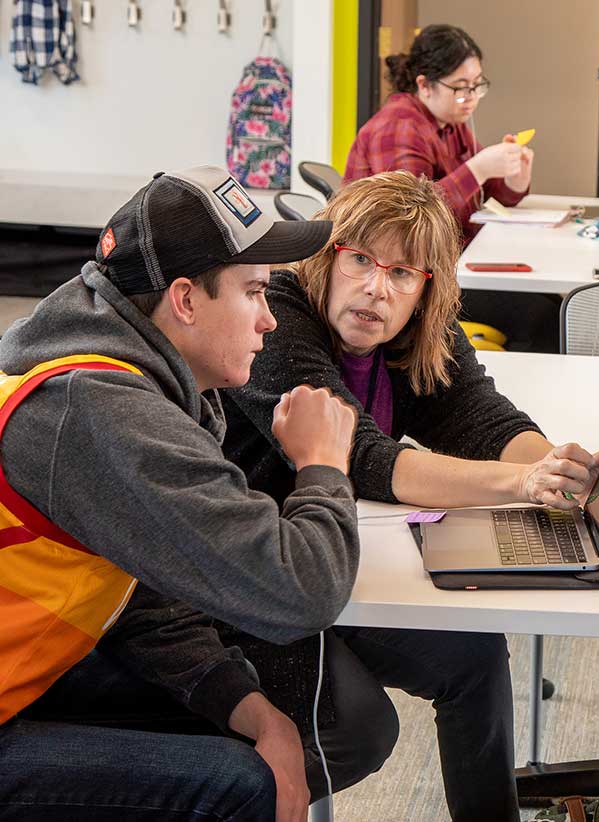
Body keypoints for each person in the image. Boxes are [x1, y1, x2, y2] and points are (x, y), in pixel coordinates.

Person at [215, 170, 599, 822]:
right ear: (326, 256)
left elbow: (486, 420)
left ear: (426, 289)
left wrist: (563, 470)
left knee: (472, 656)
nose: (375, 288)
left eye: (402, 274)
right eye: (360, 260)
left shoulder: (419, 329)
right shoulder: (278, 315)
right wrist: (520, 483)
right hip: (253, 583)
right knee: (364, 722)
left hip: (337, 563)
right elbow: (362, 460)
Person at [0, 165, 362, 821]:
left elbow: (141, 597)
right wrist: (323, 466)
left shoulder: (117, 372)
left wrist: (254, 713)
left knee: (311, 718)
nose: (270, 323)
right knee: (237, 785)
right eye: (255, 293)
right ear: (187, 300)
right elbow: (301, 592)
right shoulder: (100, 410)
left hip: (29, 669)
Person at [345, 23, 560, 353]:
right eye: (461, 88)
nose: (471, 98)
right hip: (410, 278)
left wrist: (514, 180)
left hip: (451, 264)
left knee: (549, 304)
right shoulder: (400, 126)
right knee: (546, 317)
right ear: (425, 85)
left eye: (476, 86)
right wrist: (479, 167)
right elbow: (409, 220)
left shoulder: (449, 125)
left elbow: (483, 194)